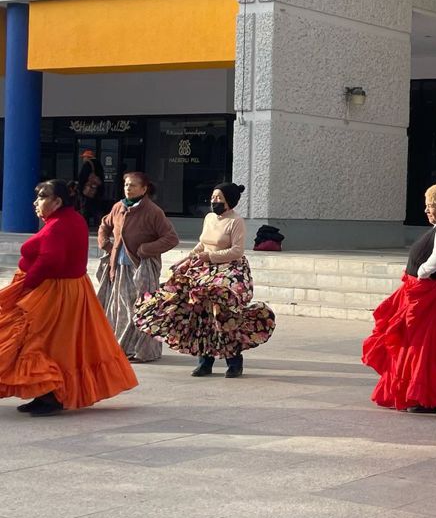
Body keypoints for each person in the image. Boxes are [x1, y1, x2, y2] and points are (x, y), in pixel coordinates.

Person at [0, 180, 138, 416]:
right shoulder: (66, 220)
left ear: (57, 201)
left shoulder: (60, 224)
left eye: (42, 197)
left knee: (41, 341)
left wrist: (27, 285)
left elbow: (50, 260)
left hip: (55, 290)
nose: (36, 202)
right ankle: (47, 393)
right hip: (66, 288)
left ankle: (51, 393)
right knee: (57, 344)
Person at [134, 182, 275, 378]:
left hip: (229, 269)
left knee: (223, 316)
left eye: (219, 198)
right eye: (213, 197)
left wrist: (209, 257)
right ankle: (204, 361)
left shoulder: (236, 221)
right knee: (200, 314)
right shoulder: (209, 218)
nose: (214, 201)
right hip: (204, 268)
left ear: (229, 201)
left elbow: (237, 251)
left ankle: (234, 361)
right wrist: (189, 257)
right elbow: (203, 243)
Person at [363, 184, 436, 413]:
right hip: (427, 292)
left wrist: (423, 272)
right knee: (420, 343)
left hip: (431, 295)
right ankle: (421, 392)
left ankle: (427, 395)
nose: (427, 210)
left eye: (430, 206)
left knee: (426, 344)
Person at [97, 172, 180, 363]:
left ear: (144, 189)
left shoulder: (152, 211)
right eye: (126, 185)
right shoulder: (119, 207)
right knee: (120, 310)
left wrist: (146, 249)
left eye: (133, 185)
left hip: (141, 268)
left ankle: (144, 351)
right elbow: (104, 225)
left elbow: (171, 238)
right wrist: (106, 244)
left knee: (142, 310)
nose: (128, 188)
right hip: (119, 268)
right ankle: (121, 348)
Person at [76, 148, 105, 229]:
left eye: (84, 157)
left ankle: (84, 226)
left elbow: (82, 178)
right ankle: (101, 225)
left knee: (85, 209)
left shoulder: (87, 164)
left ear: (87, 157)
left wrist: (80, 189)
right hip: (97, 190)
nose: (83, 159)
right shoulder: (99, 165)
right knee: (97, 209)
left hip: (87, 191)